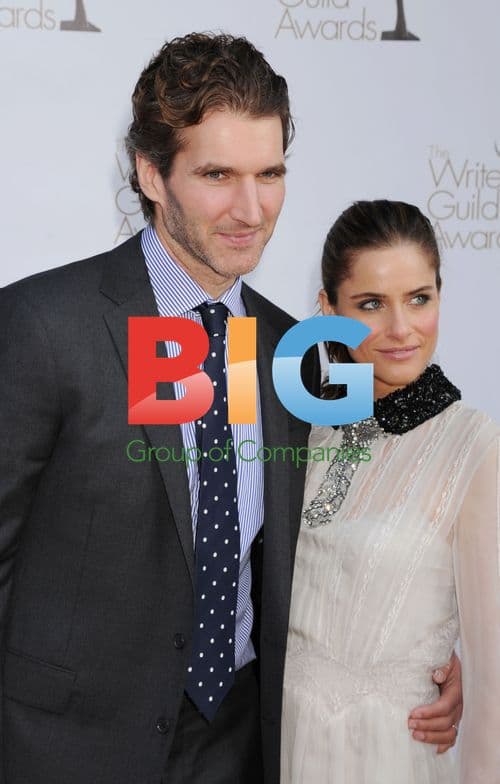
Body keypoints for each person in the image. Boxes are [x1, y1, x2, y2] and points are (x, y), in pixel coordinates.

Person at [0, 36, 460, 784]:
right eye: (218, 175)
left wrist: (441, 660)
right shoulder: (45, 326)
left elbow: (368, 514)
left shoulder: (298, 351)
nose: (251, 210)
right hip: (68, 753)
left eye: (270, 173)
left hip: (240, 748)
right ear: (153, 174)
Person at [281, 199, 500, 783]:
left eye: (419, 299)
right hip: (275, 745)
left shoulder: (475, 446)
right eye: (371, 304)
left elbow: (495, 678)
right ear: (327, 309)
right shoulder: (299, 424)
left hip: (389, 757)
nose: (401, 329)